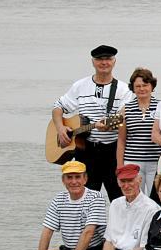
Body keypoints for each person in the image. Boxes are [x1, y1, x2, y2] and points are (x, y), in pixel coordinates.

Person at [52, 44, 132, 200]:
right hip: (86, 150)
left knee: (119, 198)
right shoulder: (80, 86)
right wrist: (61, 128)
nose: (104, 63)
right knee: (85, 198)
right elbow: (58, 107)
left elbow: (124, 118)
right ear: (93, 62)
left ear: (114, 61)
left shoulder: (124, 90)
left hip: (112, 152)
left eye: (108, 59)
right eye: (99, 59)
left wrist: (109, 125)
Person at [117, 67, 160, 197]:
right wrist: (120, 167)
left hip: (155, 162)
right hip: (132, 161)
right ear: (133, 88)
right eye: (138, 86)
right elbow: (121, 140)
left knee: (156, 197)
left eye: (145, 85)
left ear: (152, 86)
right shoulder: (125, 109)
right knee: (134, 197)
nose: (142, 89)